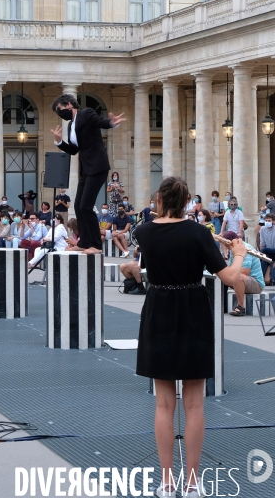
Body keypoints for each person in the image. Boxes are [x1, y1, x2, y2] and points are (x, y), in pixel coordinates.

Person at [135, 176, 247, 498]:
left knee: (164, 404)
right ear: (186, 201)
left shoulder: (144, 232)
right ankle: (193, 482)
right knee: (195, 404)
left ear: (159, 199)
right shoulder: (200, 233)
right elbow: (228, 277)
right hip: (192, 312)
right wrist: (237, 251)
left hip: (158, 311)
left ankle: (167, 482)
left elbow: (153, 234)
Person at [51, 93, 125, 254]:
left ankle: (96, 245)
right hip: (86, 169)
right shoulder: (71, 125)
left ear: (69, 104)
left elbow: (100, 122)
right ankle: (84, 242)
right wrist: (59, 142)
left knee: (86, 206)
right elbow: (74, 150)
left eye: (60, 109)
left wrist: (112, 123)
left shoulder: (86, 113)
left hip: (97, 166)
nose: (59, 113)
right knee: (78, 206)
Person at [222, 230, 265, 317]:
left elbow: (245, 271)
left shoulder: (245, 248)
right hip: (246, 280)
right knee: (221, 276)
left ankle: (240, 307)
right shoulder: (234, 249)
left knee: (238, 277)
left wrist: (228, 272)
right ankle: (222, 306)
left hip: (256, 283)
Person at [259, 213, 275, 284]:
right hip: (267, 252)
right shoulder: (262, 229)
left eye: (269, 220)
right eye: (266, 220)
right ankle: (262, 278)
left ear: (273, 222)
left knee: (264, 250)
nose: (267, 222)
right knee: (264, 258)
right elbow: (262, 243)